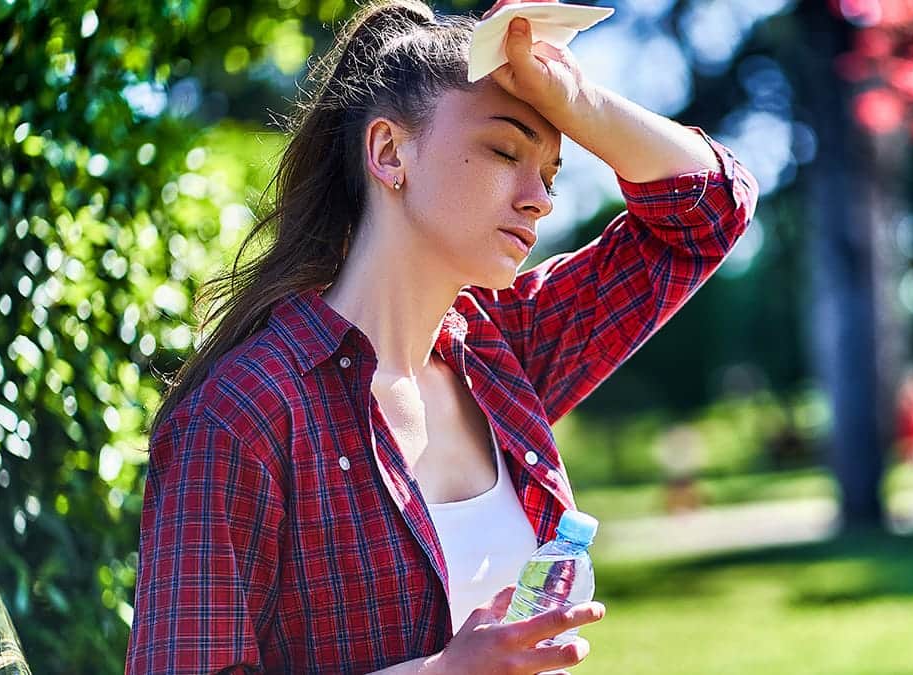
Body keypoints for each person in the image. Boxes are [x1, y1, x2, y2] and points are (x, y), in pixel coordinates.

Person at [126, 0, 758, 672]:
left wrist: (577, 102)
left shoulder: (501, 354)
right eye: (505, 150)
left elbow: (708, 212)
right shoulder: (243, 412)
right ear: (390, 151)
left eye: (548, 173)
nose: (541, 197)